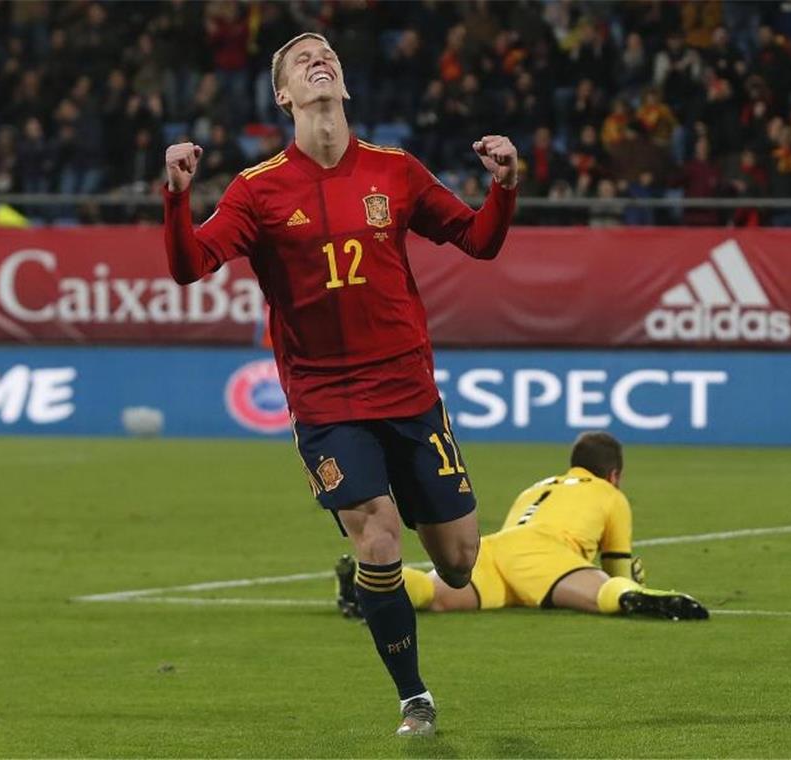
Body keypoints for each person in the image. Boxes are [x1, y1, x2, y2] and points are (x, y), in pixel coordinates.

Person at [162, 32, 519, 737]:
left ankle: (408, 571)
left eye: (327, 54)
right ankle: (414, 697)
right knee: (379, 540)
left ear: (345, 87)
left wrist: (504, 186)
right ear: (284, 96)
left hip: (410, 393)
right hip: (327, 402)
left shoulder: (397, 171)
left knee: (458, 563)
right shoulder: (257, 190)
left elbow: (479, 240)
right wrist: (176, 197)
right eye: (301, 60)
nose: (318, 59)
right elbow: (189, 265)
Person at [336, 432, 709, 621]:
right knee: (607, 593)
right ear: (614, 474)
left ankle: (371, 584)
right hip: (547, 558)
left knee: (436, 595)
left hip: (495, 551)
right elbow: (615, 568)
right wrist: (632, 583)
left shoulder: (537, 486)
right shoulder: (610, 496)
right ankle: (640, 601)